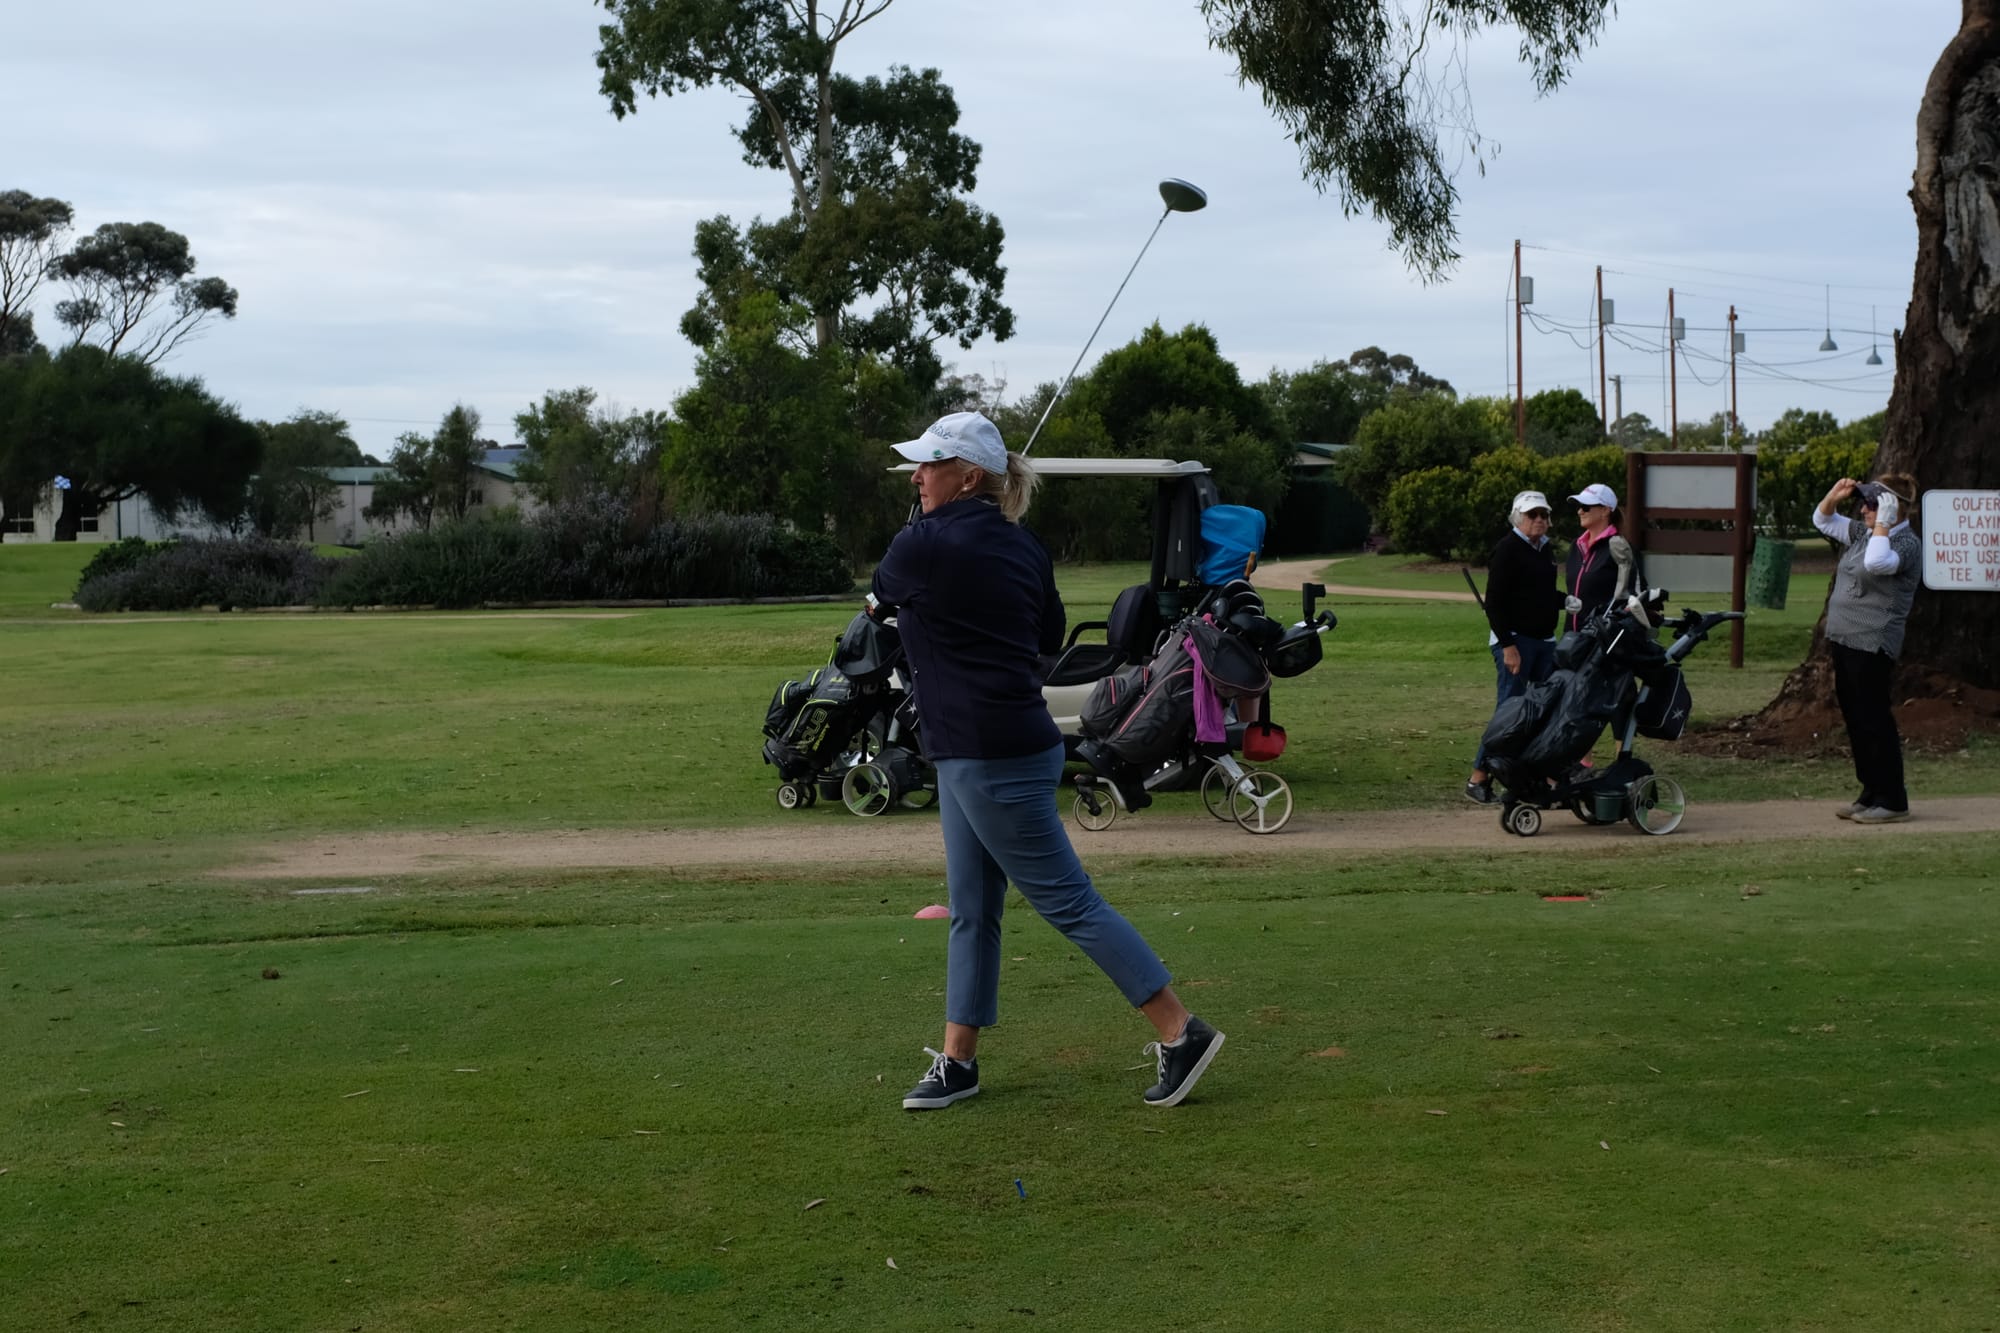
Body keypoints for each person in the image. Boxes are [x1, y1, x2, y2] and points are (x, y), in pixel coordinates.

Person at [871, 411, 1224, 1111]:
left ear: (967, 475)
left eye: (929, 464)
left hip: (985, 752)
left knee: (1067, 900)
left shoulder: (921, 543)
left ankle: (1182, 1031)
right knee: (972, 908)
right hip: (1007, 743)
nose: (916, 476)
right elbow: (1049, 630)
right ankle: (958, 1061)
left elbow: (880, 596)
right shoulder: (1023, 544)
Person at [1814, 473, 1922, 824]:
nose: (1863, 510)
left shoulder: (1904, 545)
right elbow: (1823, 520)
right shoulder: (1865, 534)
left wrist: (1886, 523)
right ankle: (1871, 792)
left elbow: (1878, 563)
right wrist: (1835, 494)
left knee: (1874, 718)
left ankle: (1893, 800)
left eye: (1873, 504)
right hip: (1846, 640)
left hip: (1873, 642)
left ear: (1895, 509)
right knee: (1856, 718)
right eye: (1864, 503)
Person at [1465, 489, 1566, 804]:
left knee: (1542, 711)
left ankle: (1531, 777)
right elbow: (1494, 604)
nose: (1538, 520)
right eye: (1532, 515)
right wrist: (1508, 646)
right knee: (1510, 713)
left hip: (1544, 641)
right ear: (1518, 518)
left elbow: (1542, 594)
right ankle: (1478, 778)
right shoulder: (1508, 549)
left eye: (1543, 515)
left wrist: (1566, 601)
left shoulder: (1545, 550)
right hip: (1516, 642)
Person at [1564, 482, 1638, 631]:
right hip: (1572, 637)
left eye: (1585, 507)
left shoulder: (1620, 547)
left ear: (1605, 510)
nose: (1580, 512)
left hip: (1603, 639)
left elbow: (1634, 592)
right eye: (1579, 507)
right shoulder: (1576, 546)